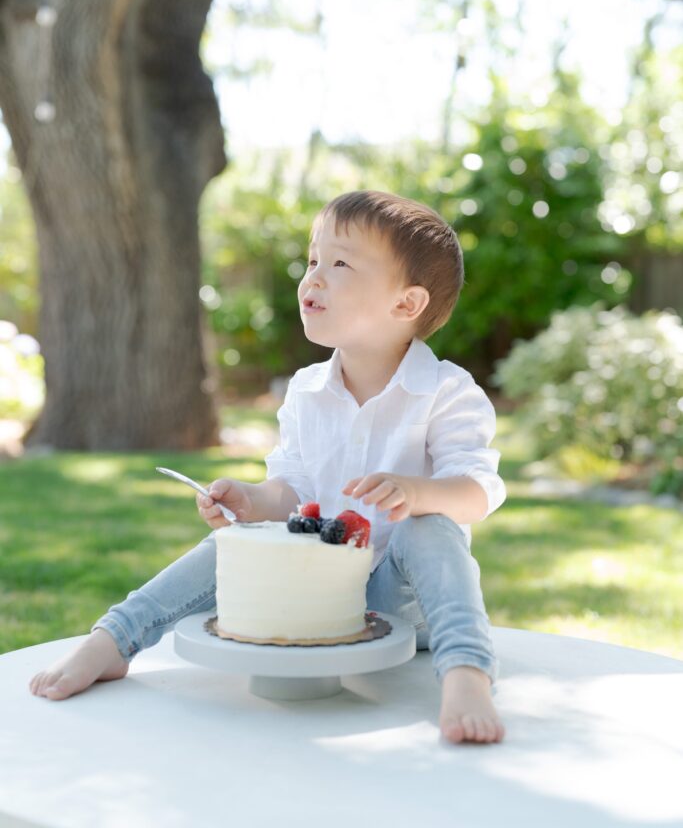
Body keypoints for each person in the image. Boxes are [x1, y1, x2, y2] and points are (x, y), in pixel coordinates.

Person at [30, 189, 506, 744]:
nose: (313, 278)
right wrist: (251, 501)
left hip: (405, 600)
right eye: (312, 261)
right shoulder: (307, 391)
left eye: (340, 264)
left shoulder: (446, 391)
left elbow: (479, 491)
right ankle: (115, 639)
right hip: (318, 594)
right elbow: (294, 492)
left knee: (431, 528)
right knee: (239, 540)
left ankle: (467, 672)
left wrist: (418, 493)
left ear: (406, 304)